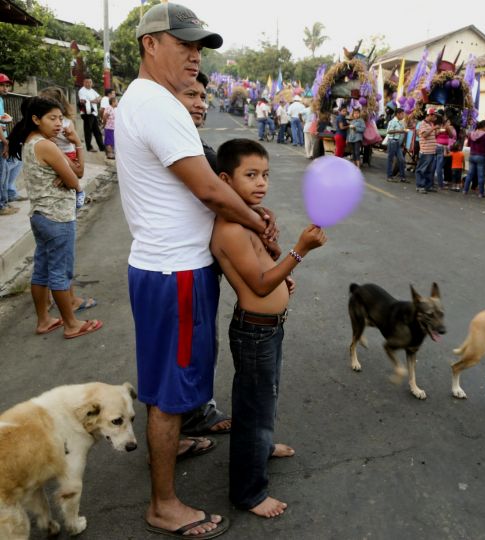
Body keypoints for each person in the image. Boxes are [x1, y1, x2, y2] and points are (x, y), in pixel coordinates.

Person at [116, 4, 276, 537]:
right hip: (174, 274)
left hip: (166, 268)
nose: (194, 55)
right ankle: (163, 505)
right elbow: (208, 188)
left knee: (172, 380)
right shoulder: (159, 105)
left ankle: (175, 440)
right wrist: (260, 225)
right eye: (184, 44)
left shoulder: (146, 100)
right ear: (149, 45)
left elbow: (207, 188)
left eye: (199, 46)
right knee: (170, 389)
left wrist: (250, 216)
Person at [211, 138, 326, 519]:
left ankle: (262, 445)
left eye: (265, 175)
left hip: (270, 327)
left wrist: (279, 266)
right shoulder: (229, 229)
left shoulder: (248, 218)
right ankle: (249, 493)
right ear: (225, 179)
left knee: (266, 398)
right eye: (250, 175)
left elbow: (267, 269)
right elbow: (259, 285)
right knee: (252, 409)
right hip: (254, 331)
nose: (261, 183)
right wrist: (300, 250)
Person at [7, 97, 103, 339]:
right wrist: (68, 177)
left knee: (41, 270)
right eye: (52, 118)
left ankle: (44, 320)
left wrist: (66, 175)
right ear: (36, 119)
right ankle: (71, 324)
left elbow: (68, 176)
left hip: (40, 215)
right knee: (61, 272)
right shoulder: (46, 145)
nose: (59, 123)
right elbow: (74, 179)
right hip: (58, 217)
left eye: (60, 118)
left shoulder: (29, 142)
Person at [172, 71, 235, 442]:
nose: (201, 103)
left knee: (199, 343)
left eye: (203, 96)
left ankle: (194, 408)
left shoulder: (191, 143)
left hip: (200, 263)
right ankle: (191, 414)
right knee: (190, 347)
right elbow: (217, 197)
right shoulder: (185, 147)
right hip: (187, 265)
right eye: (190, 94)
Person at [38, 86, 98, 312]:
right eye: (52, 117)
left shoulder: (34, 141)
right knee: (61, 261)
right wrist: (78, 146)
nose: (56, 122)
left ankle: (47, 305)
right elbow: (78, 174)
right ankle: (69, 305)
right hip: (58, 210)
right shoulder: (55, 136)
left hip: (42, 210)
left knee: (45, 259)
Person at [1, 73, 25, 215]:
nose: (5, 88)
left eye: (6, 85)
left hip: (3, 138)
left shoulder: (1, 100)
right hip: (1, 140)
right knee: (2, 173)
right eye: (2, 85)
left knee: (15, 162)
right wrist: (5, 142)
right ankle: (2, 205)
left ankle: (8, 196)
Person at [463, 120, 485, 197]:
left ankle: (465, 190)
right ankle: (481, 193)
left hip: (472, 156)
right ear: (484, 127)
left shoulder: (472, 133)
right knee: (481, 175)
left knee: (470, 174)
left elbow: (469, 144)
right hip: (482, 156)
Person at [77, 77, 105, 154]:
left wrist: (95, 100)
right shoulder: (82, 91)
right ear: (84, 83)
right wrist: (94, 101)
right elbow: (83, 101)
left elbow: (100, 97)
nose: (89, 84)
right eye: (87, 82)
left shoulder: (92, 90)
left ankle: (102, 147)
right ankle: (89, 147)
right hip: (87, 113)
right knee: (88, 131)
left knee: (97, 131)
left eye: (90, 82)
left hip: (94, 113)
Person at [415, 108, 438, 193]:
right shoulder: (422, 124)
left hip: (431, 151)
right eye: (434, 115)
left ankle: (427, 186)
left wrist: (435, 130)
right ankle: (420, 186)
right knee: (422, 169)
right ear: (430, 115)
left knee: (429, 170)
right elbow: (424, 135)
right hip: (425, 151)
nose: (435, 117)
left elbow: (431, 135)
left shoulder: (431, 124)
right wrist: (433, 129)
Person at [433, 111, 455, 190]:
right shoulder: (437, 125)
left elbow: (451, 135)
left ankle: (433, 182)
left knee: (436, 165)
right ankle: (440, 184)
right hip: (440, 147)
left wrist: (447, 129)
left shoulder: (446, 126)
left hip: (441, 147)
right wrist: (440, 130)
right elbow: (435, 134)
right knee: (438, 166)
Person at [385, 107, 407, 182]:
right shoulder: (392, 122)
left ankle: (402, 177)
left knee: (401, 160)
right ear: (397, 114)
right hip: (392, 141)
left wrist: (404, 132)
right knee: (390, 160)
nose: (403, 116)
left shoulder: (401, 122)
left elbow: (402, 131)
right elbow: (389, 131)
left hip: (398, 142)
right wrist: (400, 131)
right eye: (402, 114)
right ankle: (389, 176)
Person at [102, 96, 117, 160]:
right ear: (113, 102)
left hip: (113, 128)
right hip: (109, 127)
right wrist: (104, 124)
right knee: (109, 141)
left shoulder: (114, 109)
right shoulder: (109, 108)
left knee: (112, 141)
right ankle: (109, 154)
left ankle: (111, 153)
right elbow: (105, 117)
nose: (117, 103)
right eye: (116, 101)